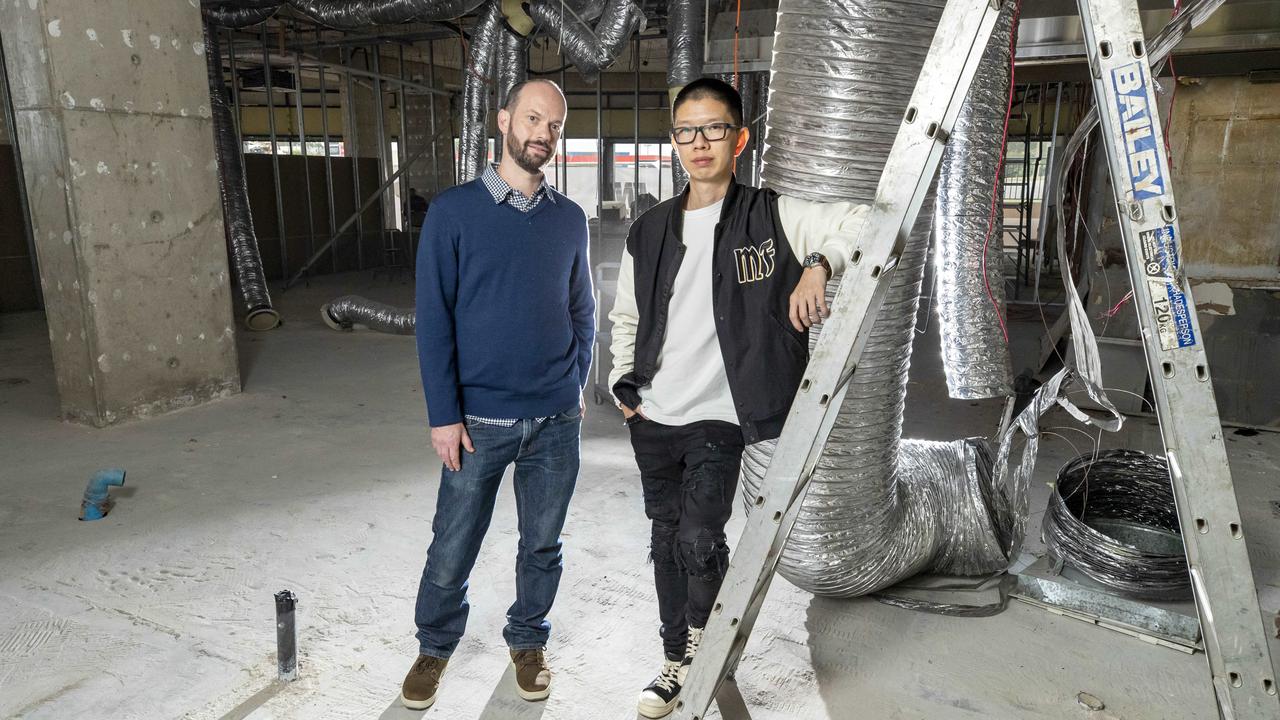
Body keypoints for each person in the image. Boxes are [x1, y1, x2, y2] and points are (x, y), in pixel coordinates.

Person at [608, 77, 868, 718]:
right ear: (674, 143)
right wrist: (623, 381)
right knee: (665, 539)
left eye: (715, 129)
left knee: (700, 537)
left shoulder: (770, 213)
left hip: (721, 416)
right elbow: (624, 316)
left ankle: (704, 644)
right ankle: (675, 660)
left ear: (739, 138)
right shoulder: (649, 230)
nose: (700, 143)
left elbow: (862, 220)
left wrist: (820, 262)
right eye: (687, 131)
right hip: (655, 413)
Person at [403, 78, 593, 711]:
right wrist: (442, 415)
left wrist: (576, 381)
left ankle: (528, 638)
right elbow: (434, 320)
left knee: (543, 543)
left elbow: (581, 309)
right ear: (505, 119)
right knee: (454, 541)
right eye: (533, 118)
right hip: (478, 421)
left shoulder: (570, 219)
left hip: (555, 419)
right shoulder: (454, 213)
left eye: (555, 127)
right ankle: (434, 646)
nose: (543, 134)